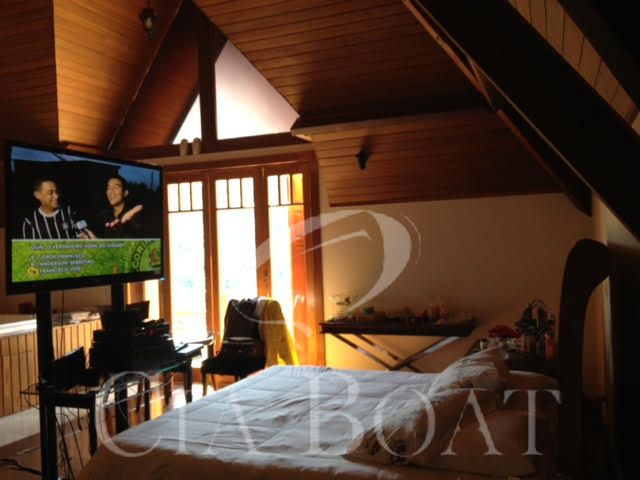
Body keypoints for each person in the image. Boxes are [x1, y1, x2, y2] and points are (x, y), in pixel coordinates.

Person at [22, 178, 95, 239]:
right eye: (50, 193)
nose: (56, 196)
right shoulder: (30, 221)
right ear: (37, 195)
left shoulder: (71, 212)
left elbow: (86, 235)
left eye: (56, 192)